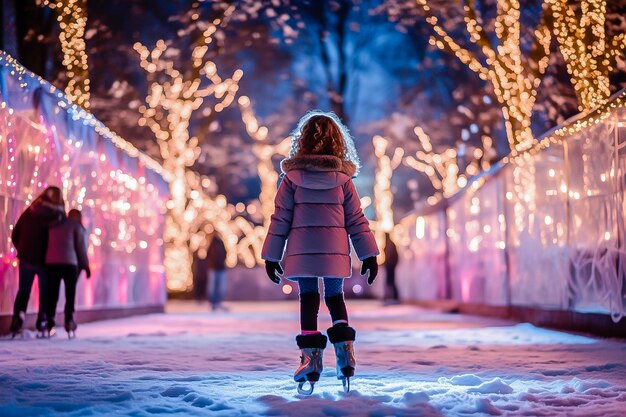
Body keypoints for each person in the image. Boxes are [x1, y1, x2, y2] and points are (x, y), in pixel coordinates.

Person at [262, 111, 379, 394]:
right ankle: (345, 355)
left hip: (302, 252)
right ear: (338, 142)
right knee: (335, 298)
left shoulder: (291, 179)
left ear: (301, 141)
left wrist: (271, 255)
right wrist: (368, 254)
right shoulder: (343, 180)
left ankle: (310, 361)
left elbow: (281, 218)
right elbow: (356, 220)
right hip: (334, 253)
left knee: (309, 300)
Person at [10, 186, 65, 337]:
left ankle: (17, 319)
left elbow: (15, 233)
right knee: (45, 293)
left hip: (26, 258)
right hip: (46, 261)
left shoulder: (30, 211)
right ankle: (42, 322)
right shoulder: (57, 215)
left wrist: (22, 250)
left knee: (23, 291)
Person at [45, 209, 90, 338]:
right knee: (70, 293)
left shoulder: (53, 224)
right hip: (70, 263)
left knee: (52, 293)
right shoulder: (76, 226)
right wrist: (86, 266)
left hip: (51, 263)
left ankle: (50, 322)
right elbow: (80, 248)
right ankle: (69, 321)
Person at [206, 234, 228, 311]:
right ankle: (216, 303)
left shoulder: (213, 244)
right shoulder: (220, 243)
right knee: (218, 287)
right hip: (218, 268)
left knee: (214, 287)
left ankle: (215, 303)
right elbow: (225, 253)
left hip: (215, 268)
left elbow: (207, 255)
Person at [383, 233, 400, 304]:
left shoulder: (389, 244)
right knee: (390, 282)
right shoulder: (390, 244)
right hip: (390, 266)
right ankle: (392, 297)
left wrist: (387, 263)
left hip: (390, 266)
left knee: (390, 282)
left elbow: (390, 256)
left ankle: (393, 297)